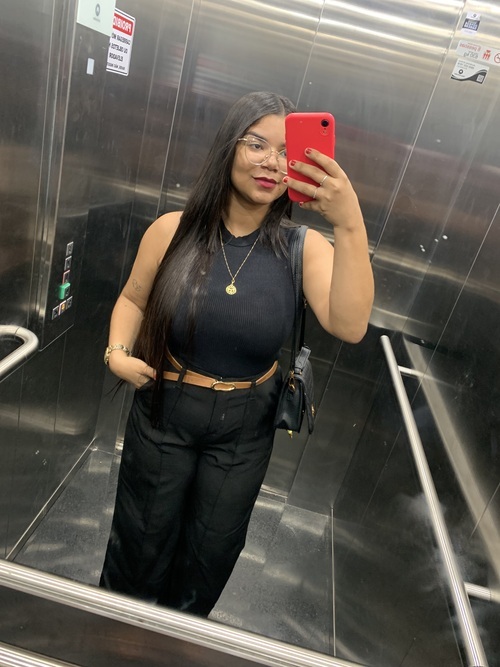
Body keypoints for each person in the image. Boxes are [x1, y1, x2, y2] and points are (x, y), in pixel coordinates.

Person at [99, 91, 374, 617]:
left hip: (245, 427)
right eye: (257, 144)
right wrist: (116, 351)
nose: (272, 162)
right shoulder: (172, 230)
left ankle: (177, 641)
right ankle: (115, 634)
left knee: (210, 554)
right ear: (229, 147)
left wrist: (349, 223)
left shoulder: (304, 248)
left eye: (287, 152)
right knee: (139, 541)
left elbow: (349, 325)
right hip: (164, 408)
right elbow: (133, 299)